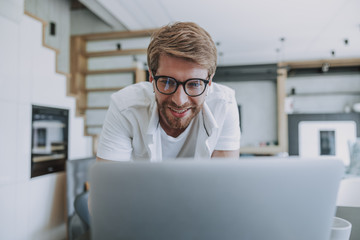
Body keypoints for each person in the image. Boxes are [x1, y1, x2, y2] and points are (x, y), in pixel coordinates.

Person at [96, 22, 241, 161]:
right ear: (151, 77)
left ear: (209, 81)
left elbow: (223, 184)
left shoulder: (224, 105)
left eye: (194, 84)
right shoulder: (124, 107)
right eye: (167, 82)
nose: (180, 100)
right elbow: (109, 184)